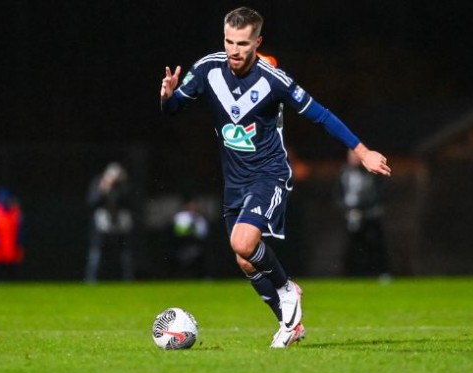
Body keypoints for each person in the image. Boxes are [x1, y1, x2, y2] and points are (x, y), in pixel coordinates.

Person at [159, 6, 391, 348]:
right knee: (244, 259)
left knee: (242, 243)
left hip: (270, 174)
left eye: (242, 43)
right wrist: (167, 96)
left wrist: (362, 151)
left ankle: (286, 290)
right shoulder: (208, 68)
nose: (234, 50)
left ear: (257, 42)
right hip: (234, 181)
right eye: (228, 41)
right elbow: (173, 109)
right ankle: (289, 323)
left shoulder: (273, 81)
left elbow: (322, 116)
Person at [336, 150, 389, 277]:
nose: (353, 159)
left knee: (375, 245)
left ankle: (380, 273)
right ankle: (353, 274)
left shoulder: (370, 172)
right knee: (353, 247)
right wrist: (347, 209)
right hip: (351, 216)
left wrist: (363, 208)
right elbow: (338, 194)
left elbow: (376, 193)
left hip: (370, 215)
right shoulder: (344, 172)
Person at [84, 162, 134, 283]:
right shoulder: (99, 182)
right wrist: (104, 187)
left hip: (121, 219)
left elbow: (129, 201)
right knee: (96, 252)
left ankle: (128, 280)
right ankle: (91, 280)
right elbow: (92, 202)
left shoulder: (123, 184)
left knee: (125, 252)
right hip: (103, 218)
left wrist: (122, 183)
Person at [0, 187, 25, 280]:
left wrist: (19, 244)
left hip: (12, 247)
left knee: (12, 273)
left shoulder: (16, 212)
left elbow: (21, 231)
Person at [172, 197, 210, 279]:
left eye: (194, 205)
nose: (193, 207)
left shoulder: (200, 218)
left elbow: (203, 233)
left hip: (197, 244)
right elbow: (179, 231)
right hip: (182, 243)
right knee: (183, 261)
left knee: (198, 261)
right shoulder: (181, 216)